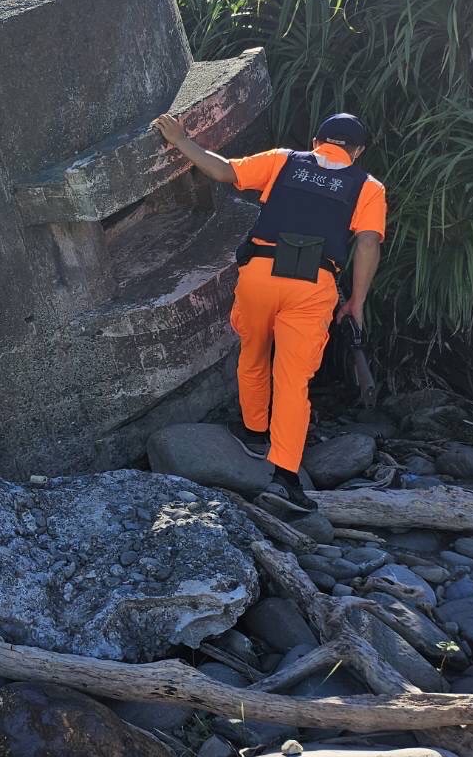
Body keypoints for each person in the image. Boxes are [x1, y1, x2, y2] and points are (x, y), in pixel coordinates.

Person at [151, 112, 386, 512]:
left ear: (317, 140)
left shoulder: (283, 160)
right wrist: (356, 301)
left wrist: (180, 140)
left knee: (254, 352)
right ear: (358, 151)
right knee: (293, 379)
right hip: (313, 285)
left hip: (260, 273)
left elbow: (224, 172)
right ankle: (285, 476)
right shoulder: (368, 187)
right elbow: (367, 244)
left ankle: (255, 431)